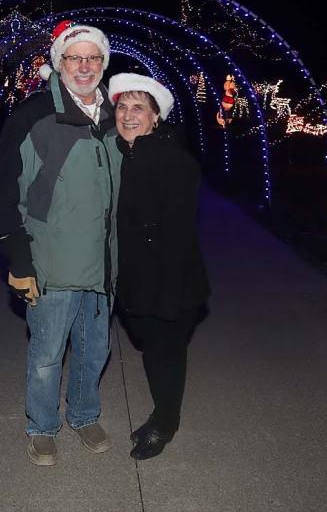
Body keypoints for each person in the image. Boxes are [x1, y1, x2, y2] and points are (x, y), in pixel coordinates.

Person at [0, 20, 122, 466]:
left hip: (102, 260)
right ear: (59, 62)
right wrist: (17, 255)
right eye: (75, 57)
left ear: (103, 63)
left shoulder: (116, 117)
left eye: (93, 57)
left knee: (94, 347)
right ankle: (42, 427)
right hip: (51, 258)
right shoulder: (33, 115)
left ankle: (84, 414)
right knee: (47, 353)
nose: (84, 66)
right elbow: (6, 190)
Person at [106, 73, 210, 460]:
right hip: (138, 281)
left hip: (171, 283)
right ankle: (161, 414)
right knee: (153, 352)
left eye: (138, 108)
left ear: (155, 117)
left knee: (165, 355)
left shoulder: (173, 162)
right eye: (122, 107)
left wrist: (168, 297)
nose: (128, 115)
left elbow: (179, 237)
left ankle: (165, 423)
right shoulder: (124, 154)